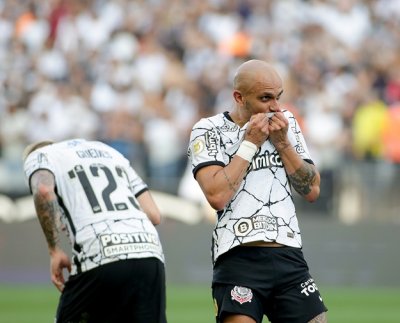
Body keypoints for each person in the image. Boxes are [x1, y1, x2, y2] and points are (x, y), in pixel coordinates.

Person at [187, 60, 328, 323]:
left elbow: (312, 189)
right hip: (239, 255)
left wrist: (284, 144)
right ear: (239, 97)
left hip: (288, 253)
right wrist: (250, 143)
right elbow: (216, 196)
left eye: (278, 97)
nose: (275, 106)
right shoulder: (208, 129)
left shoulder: (287, 125)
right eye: (266, 98)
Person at [23, 138, 167, 323]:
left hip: (100, 253)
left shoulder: (39, 156)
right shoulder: (110, 153)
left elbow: (43, 190)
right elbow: (154, 214)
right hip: (149, 251)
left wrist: (54, 250)